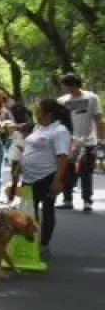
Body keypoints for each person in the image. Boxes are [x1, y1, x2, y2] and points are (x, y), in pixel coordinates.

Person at [12, 99, 72, 259]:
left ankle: (43, 244)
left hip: (47, 176)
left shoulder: (60, 131)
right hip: (29, 176)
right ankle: (30, 241)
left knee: (47, 210)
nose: (35, 113)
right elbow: (29, 148)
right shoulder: (38, 127)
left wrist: (57, 180)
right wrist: (20, 166)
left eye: (38, 110)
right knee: (28, 211)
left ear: (48, 114)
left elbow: (63, 157)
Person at [57, 72, 102, 212]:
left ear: (76, 85)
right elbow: (58, 123)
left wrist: (101, 142)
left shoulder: (92, 98)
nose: (66, 90)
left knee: (86, 172)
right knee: (67, 172)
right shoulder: (62, 101)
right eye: (64, 87)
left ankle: (87, 201)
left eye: (67, 86)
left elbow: (99, 120)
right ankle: (67, 199)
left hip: (88, 142)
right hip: (68, 142)